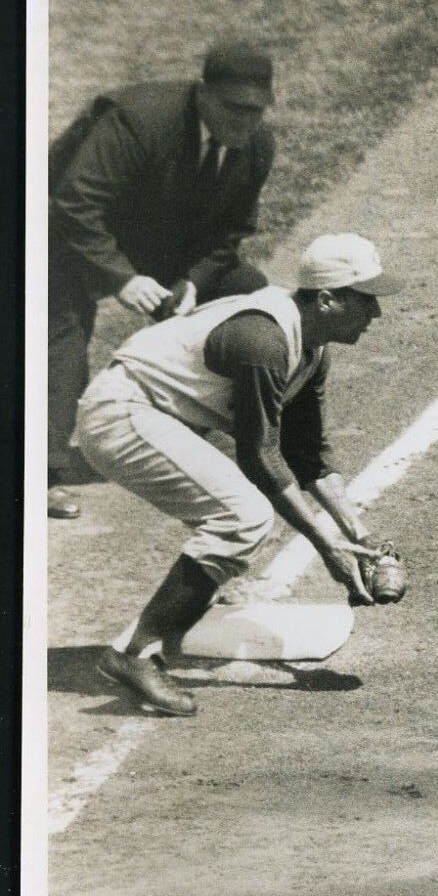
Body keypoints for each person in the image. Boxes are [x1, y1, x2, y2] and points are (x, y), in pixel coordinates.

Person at [74, 233, 402, 717]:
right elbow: (259, 456)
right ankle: (132, 656)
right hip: (122, 412)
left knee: (233, 517)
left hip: (160, 414)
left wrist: (362, 536)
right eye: (366, 299)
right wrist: (325, 544)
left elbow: (307, 454)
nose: (376, 312)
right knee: (241, 516)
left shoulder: (311, 348)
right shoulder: (263, 340)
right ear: (328, 299)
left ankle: (184, 606)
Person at [47, 38, 279, 520]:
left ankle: (215, 428)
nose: (245, 122)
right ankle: (39, 473)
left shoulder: (256, 145)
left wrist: (193, 280)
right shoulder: (139, 121)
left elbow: (231, 232)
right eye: (234, 108)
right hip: (61, 232)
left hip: (154, 235)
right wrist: (121, 278)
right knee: (60, 338)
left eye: (256, 111)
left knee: (251, 299)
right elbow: (74, 201)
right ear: (203, 94)